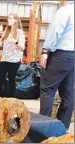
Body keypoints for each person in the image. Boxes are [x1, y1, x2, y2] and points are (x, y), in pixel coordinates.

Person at [40, 1, 74, 131]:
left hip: (60, 54)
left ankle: (43, 129)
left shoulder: (65, 10)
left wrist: (45, 50)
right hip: (73, 56)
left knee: (48, 90)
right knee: (68, 93)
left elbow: (55, 31)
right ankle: (63, 128)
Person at [0, 13, 25, 98]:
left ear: (15, 20)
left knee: (11, 79)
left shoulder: (19, 32)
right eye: (8, 18)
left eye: (10, 18)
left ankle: (12, 98)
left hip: (14, 60)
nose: (8, 20)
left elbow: (22, 47)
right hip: (5, 58)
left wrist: (15, 41)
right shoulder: (6, 32)